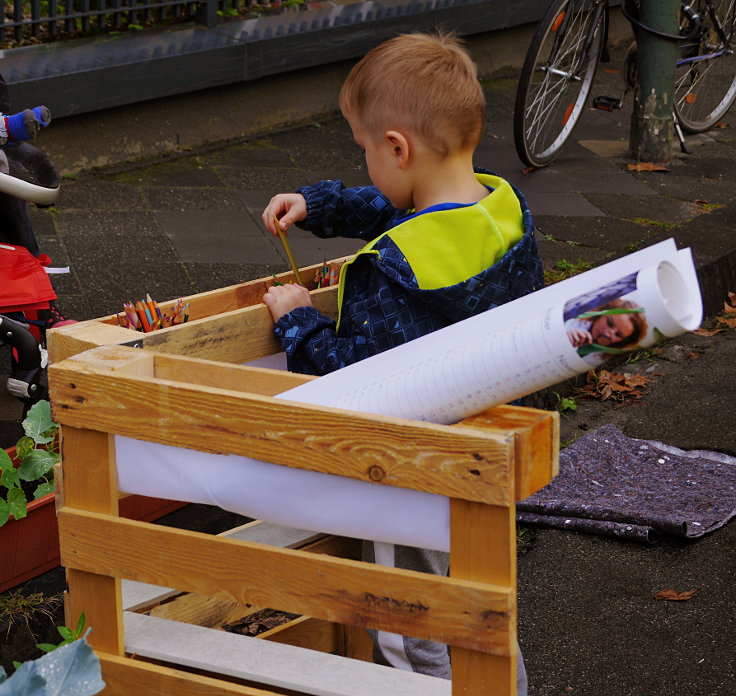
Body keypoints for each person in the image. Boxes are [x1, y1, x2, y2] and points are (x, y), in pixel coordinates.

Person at [260, 32, 543, 692]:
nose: (366, 161)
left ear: (397, 147)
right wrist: (322, 205)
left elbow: (358, 377)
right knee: (481, 610)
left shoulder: (394, 270)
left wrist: (299, 320)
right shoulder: (502, 212)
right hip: (488, 459)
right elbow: (411, 205)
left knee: (414, 629)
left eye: (364, 148)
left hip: (413, 476)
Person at [566, 298, 648, 363]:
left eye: (618, 334)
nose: (607, 333)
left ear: (623, 341)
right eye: (609, 323)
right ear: (603, 313)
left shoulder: (603, 359)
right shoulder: (572, 321)